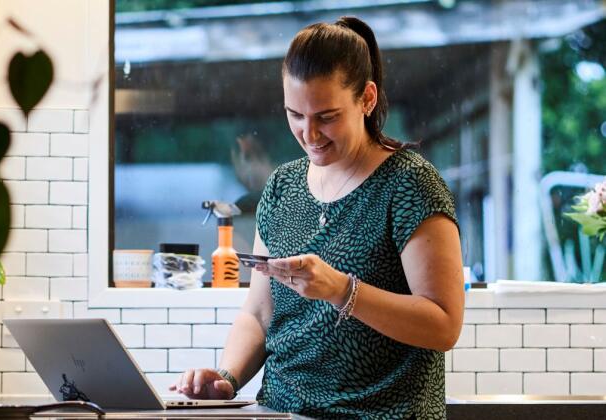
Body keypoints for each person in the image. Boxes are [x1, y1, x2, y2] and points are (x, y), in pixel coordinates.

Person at [169, 16, 464, 419]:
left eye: (326, 116)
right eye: (295, 114)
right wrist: (228, 377)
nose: (309, 133)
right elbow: (259, 312)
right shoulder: (281, 187)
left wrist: (342, 289)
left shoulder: (409, 183)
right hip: (280, 412)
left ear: (367, 99)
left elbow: (443, 324)